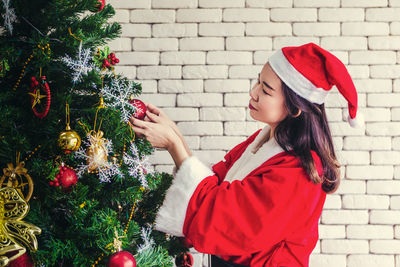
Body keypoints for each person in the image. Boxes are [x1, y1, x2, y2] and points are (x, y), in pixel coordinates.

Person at [129, 42, 364, 267]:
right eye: (258, 82)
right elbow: (212, 187)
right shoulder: (261, 142)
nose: (253, 93)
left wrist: (174, 144)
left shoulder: (300, 169)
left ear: (295, 107)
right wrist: (175, 135)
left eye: (266, 89)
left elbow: (224, 217)